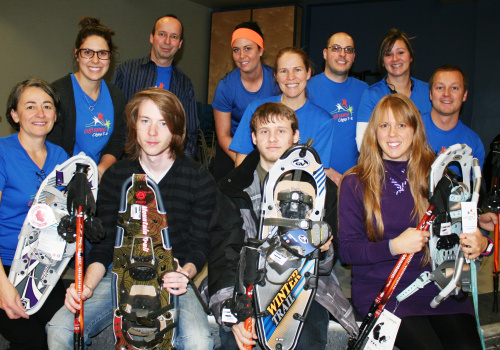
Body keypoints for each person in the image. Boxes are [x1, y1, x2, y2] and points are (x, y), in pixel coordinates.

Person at [47, 88, 215, 349]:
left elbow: (199, 244)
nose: (152, 132)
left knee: (198, 343)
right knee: (59, 329)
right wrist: (86, 287)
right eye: (145, 121)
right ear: (135, 124)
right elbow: (103, 245)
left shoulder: (197, 178)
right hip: (120, 273)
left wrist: (185, 273)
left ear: (177, 129)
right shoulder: (117, 175)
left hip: (174, 274)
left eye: (163, 123)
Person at [339, 93, 488, 349]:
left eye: (401, 125)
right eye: (384, 125)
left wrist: (482, 244)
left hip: (439, 287)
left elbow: (466, 238)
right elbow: (348, 251)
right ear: (374, 132)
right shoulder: (356, 182)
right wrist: (394, 246)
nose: (392, 134)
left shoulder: (442, 177)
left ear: (415, 129)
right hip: (384, 292)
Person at [209, 102, 358, 350]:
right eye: (264, 131)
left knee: (305, 343)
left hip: (306, 285)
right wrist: (229, 309)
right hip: (245, 281)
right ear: (254, 138)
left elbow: (327, 263)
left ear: (295, 136)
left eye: (281, 130)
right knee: (236, 344)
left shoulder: (322, 189)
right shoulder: (232, 187)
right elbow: (224, 252)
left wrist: (324, 249)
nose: (273, 138)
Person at [0, 78, 69, 349]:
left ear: (55, 115)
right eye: (30, 107)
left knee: (62, 333)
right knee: (33, 341)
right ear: (15, 115)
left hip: (43, 266)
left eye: (47, 106)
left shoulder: (61, 156)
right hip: (5, 266)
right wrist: (3, 285)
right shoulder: (2, 152)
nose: (40, 114)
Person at [229, 47, 335, 180]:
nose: (291, 77)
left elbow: (315, 173)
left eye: (297, 70)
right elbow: (242, 161)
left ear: (308, 73)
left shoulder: (323, 121)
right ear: (276, 76)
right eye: (283, 71)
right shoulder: (256, 109)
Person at [48, 17, 126, 182]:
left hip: (99, 181)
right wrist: (79, 177)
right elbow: (52, 146)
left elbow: (117, 141)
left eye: (102, 53)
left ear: (110, 57)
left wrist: (100, 170)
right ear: (77, 55)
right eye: (88, 52)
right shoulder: (58, 93)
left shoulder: (116, 96)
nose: (95, 60)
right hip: (63, 180)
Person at [112, 14, 198, 158]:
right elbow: (114, 121)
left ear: (180, 43)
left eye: (174, 37)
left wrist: (180, 164)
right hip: (128, 159)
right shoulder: (126, 72)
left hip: (167, 163)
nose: (167, 41)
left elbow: (190, 131)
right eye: (162, 34)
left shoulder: (185, 85)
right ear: (152, 37)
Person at [211, 21, 278, 182]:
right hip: (234, 145)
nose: (241, 56)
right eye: (236, 50)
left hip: (270, 142)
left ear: (261, 50)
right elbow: (223, 135)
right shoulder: (226, 86)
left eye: (248, 48)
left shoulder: (276, 81)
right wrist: (246, 163)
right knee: (223, 177)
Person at [356, 28, 431, 151]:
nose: (395, 58)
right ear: (382, 62)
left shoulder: (428, 92)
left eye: (400, 52)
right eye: (388, 54)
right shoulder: (372, 95)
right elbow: (363, 144)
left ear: (410, 56)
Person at [307, 32, 368, 184]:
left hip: (354, 181)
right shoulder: (307, 89)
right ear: (325, 53)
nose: (342, 54)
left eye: (348, 50)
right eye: (336, 48)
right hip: (315, 179)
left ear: (353, 56)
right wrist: (328, 172)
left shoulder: (364, 91)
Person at [423, 64, 485, 168]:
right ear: (431, 94)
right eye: (440, 87)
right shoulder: (410, 130)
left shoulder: (473, 144)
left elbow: (472, 183)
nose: (446, 93)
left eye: (454, 88)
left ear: (464, 95)